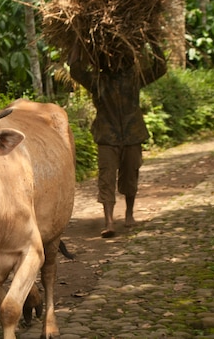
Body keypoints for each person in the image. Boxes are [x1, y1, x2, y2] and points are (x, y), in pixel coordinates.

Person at [68, 45, 167, 238]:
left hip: (132, 134)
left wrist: (153, 42)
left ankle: (129, 214)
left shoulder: (134, 78)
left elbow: (160, 67)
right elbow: (76, 69)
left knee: (131, 174)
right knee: (106, 177)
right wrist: (77, 43)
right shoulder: (97, 81)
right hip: (107, 136)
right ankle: (109, 221)